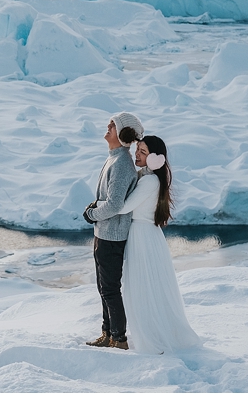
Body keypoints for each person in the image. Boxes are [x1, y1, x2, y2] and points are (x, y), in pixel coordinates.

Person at [94, 135, 201, 354]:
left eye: (143, 152)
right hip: (144, 234)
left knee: (142, 287)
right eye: (138, 150)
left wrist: (97, 206)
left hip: (142, 236)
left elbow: (123, 207)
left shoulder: (149, 181)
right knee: (144, 286)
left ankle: (151, 336)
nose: (137, 154)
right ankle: (150, 330)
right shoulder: (146, 176)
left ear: (155, 159)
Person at [83, 112, 144, 350]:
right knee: (103, 287)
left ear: (123, 134)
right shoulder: (114, 158)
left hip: (112, 236)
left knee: (110, 289)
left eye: (113, 125)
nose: (107, 127)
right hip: (104, 233)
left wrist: (91, 215)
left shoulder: (121, 164)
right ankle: (107, 333)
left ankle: (119, 339)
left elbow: (115, 205)